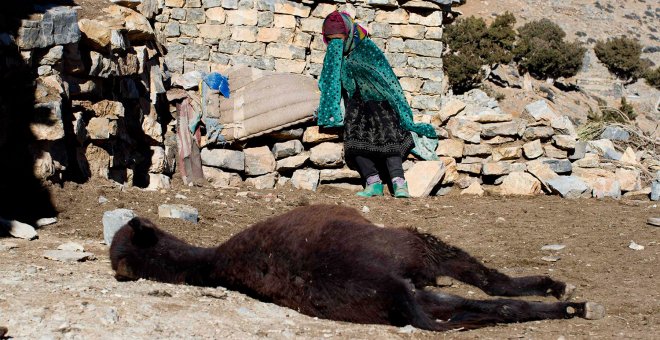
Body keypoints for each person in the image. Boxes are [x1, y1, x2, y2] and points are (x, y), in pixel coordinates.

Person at [316, 11, 438, 198]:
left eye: (339, 40)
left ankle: (399, 183)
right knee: (353, 137)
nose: (336, 46)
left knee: (388, 133)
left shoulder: (367, 49)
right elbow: (332, 82)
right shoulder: (336, 55)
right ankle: (373, 183)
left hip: (382, 102)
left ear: (349, 34)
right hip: (357, 104)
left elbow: (386, 80)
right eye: (332, 41)